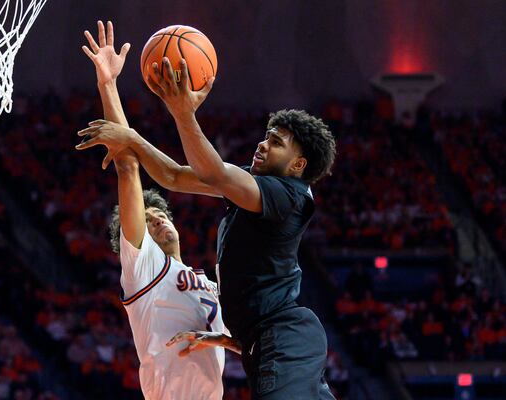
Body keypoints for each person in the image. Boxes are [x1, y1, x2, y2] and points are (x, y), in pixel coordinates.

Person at [77, 50, 337, 400]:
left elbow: (209, 170)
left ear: (297, 165)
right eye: (267, 136)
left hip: (283, 336)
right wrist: (232, 339)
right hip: (264, 343)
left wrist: (181, 114)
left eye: (276, 143)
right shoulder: (154, 265)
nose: (262, 144)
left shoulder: (288, 195)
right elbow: (171, 175)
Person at [76, 21, 232, 400]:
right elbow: (127, 165)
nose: (158, 218)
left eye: (160, 214)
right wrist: (108, 84)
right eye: (147, 220)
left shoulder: (208, 281)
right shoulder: (143, 265)